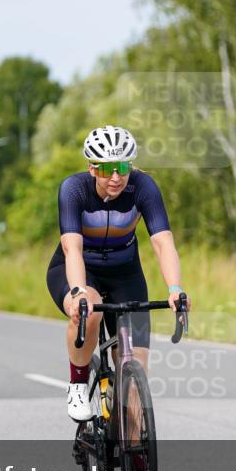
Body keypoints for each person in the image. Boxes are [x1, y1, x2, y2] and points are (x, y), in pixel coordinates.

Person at [46, 125, 191, 421]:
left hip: (125, 274)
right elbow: (72, 248)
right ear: (92, 167)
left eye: (123, 167)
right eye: (107, 168)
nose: (116, 177)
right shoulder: (74, 189)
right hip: (80, 269)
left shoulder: (143, 187)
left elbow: (163, 242)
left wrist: (175, 289)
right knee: (88, 311)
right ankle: (77, 384)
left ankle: (133, 444)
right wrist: (78, 292)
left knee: (136, 378)